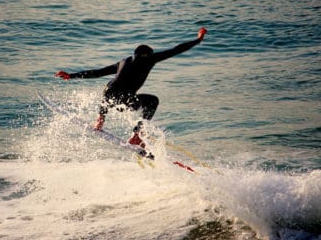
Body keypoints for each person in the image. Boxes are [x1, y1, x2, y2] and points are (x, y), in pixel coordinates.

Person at [55, 27, 207, 153]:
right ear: (149, 55)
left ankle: (102, 120)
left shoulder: (123, 61)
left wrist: (71, 75)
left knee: (111, 88)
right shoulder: (149, 60)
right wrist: (198, 40)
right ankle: (136, 135)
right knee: (152, 101)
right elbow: (176, 50)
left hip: (111, 99)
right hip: (122, 99)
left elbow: (97, 72)